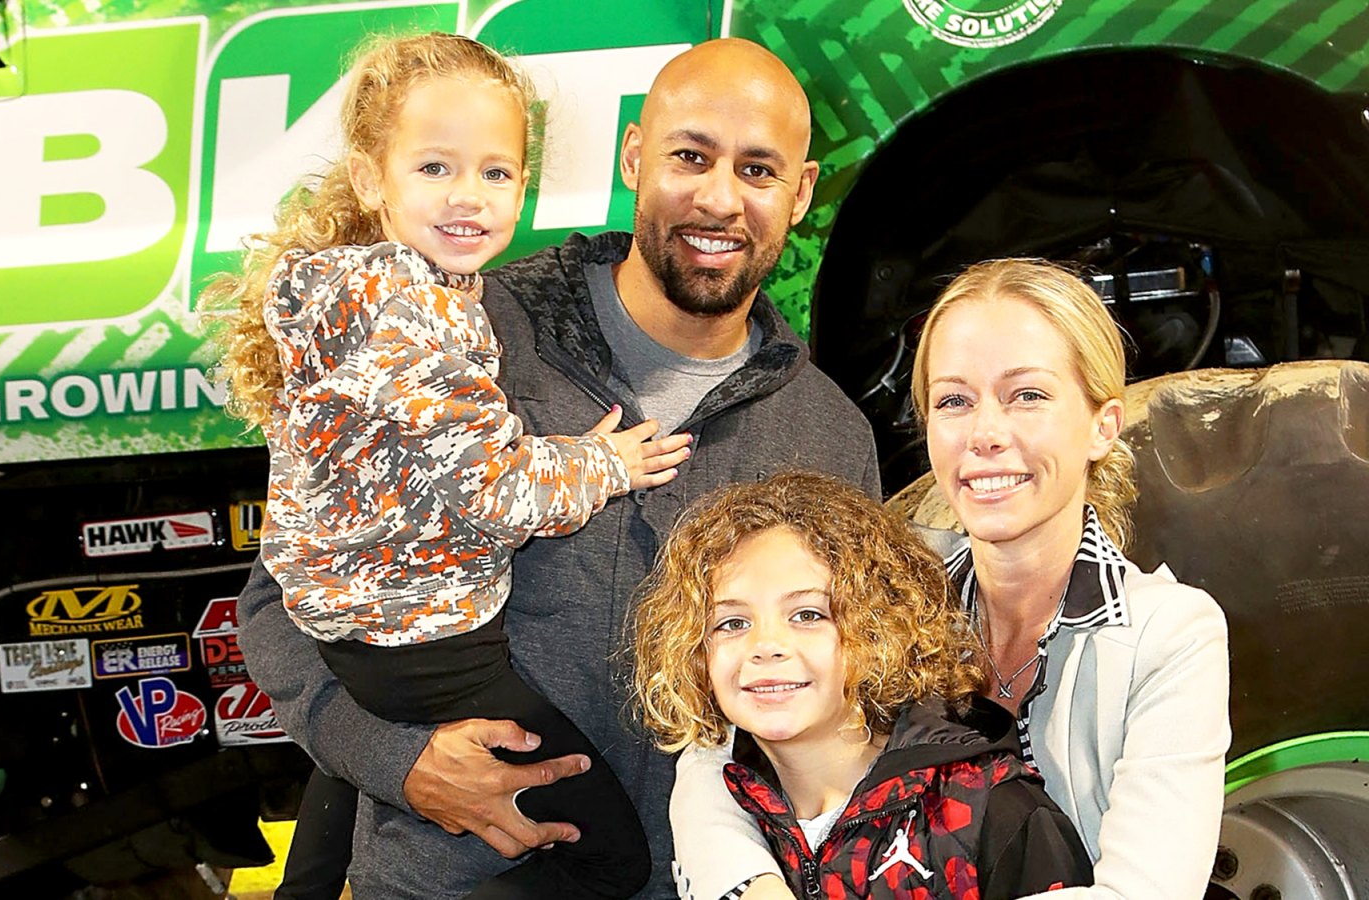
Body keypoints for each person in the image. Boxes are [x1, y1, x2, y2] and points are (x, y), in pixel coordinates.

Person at [232, 37, 881, 900]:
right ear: (636, 156)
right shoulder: (456, 332)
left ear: (800, 194)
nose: (720, 198)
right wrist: (399, 761)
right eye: (690, 157)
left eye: (759, 171)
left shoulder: (828, 434)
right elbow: (280, 602)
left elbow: (857, 697)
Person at [210, 32, 697, 898]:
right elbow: (498, 492)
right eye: (435, 169)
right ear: (371, 178)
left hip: (366, 632)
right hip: (429, 640)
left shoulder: (375, 294)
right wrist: (604, 462)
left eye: (496, 173)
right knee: (612, 855)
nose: (468, 197)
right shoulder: (405, 312)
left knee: (332, 827)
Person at [671, 259, 1231, 900]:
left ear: (1103, 424)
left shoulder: (1170, 634)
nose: (985, 434)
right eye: (954, 401)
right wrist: (753, 888)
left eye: (1027, 395)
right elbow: (714, 753)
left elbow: (1144, 893)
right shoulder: (891, 585)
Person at [631, 470, 1095, 898]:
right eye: (731, 622)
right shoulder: (723, 813)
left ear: (878, 630)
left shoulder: (993, 811)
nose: (765, 645)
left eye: (808, 615)